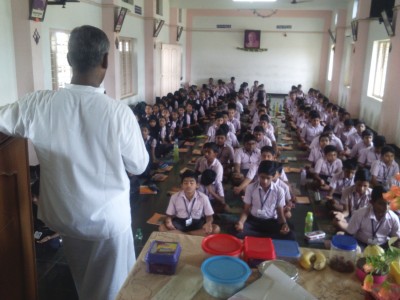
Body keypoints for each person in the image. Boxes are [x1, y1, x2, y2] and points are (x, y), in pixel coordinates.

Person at [0, 25, 149, 300]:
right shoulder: (118, 113)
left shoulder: (39, 104)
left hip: (67, 218)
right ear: (105, 60)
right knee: (113, 291)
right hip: (107, 224)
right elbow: (138, 165)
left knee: (86, 283)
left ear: (69, 60)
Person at [235, 161, 295, 240]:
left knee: (290, 235)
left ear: (273, 176)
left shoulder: (279, 191)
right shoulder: (250, 188)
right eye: (262, 177)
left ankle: (256, 237)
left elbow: (280, 214)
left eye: (268, 178)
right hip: (253, 221)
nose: (265, 181)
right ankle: (266, 238)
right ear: (258, 175)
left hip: (271, 222)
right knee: (236, 231)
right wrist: (241, 222)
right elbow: (246, 210)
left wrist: (284, 224)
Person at [159, 170, 220, 236]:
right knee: (162, 228)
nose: (188, 185)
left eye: (191, 183)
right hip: (180, 223)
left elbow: (209, 215)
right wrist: (168, 221)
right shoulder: (174, 197)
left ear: (197, 185)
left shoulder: (203, 197)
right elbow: (169, 215)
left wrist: (208, 223)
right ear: (181, 185)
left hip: (197, 223)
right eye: (185, 183)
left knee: (216, 229)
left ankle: (181, 235)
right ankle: (190, 235)